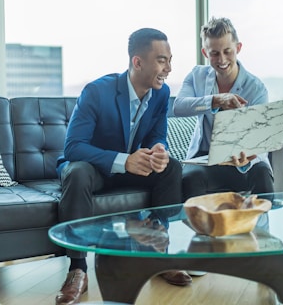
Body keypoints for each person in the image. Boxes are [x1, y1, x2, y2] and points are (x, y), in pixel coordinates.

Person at [55, 28, 191, 305]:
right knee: (77, 172)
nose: (169, 68)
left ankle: (158, 250)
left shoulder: (161, 93)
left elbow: (157, 134)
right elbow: (73, 147)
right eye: (162, 60)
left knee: (172, 168)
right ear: (138, 62)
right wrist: (123, 160)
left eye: (170, 59)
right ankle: (77, 270)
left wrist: (159, 150)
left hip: (132, 168)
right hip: (94, 169)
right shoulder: (97, 91)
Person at [173, 17, 275, 201]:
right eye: (214, 53)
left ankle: (262, 229)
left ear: (238, 48)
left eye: (227, 51)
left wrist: (248, 157)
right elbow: (178, 107)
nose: (222, 60)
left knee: (262, 174)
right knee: (189, 179)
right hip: (205, 160)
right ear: (205, 52)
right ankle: (200, 230)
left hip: (243, 161)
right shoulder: (196, 76)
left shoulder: (256, 88)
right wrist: (215, 100)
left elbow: (261, 140)